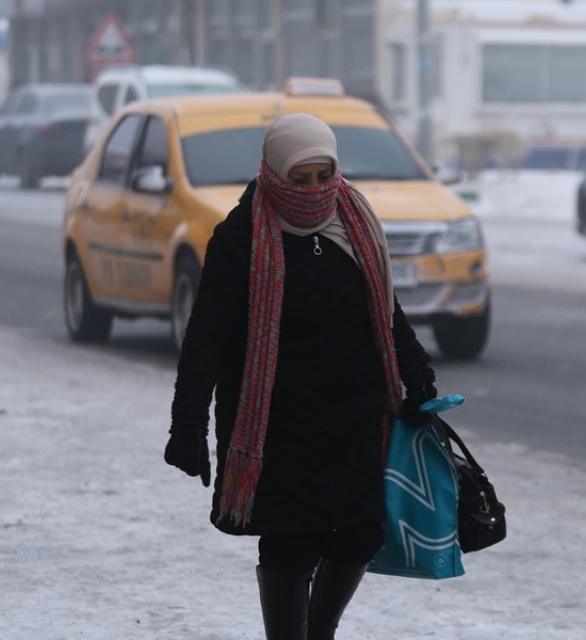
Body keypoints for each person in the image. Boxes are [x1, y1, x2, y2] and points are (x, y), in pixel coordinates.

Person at [165, 113, 438, 640]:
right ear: (272, 173)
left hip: (357, 418)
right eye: (300, 179)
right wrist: (187, 425)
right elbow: (206, 338)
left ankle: (321, 630)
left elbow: (384, 309)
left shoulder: (355, 221)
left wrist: (417, 374)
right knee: (291, 544)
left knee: (359, 534)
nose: (314, 192)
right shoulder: (240, 236)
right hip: (277, 427)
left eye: (322, 177)